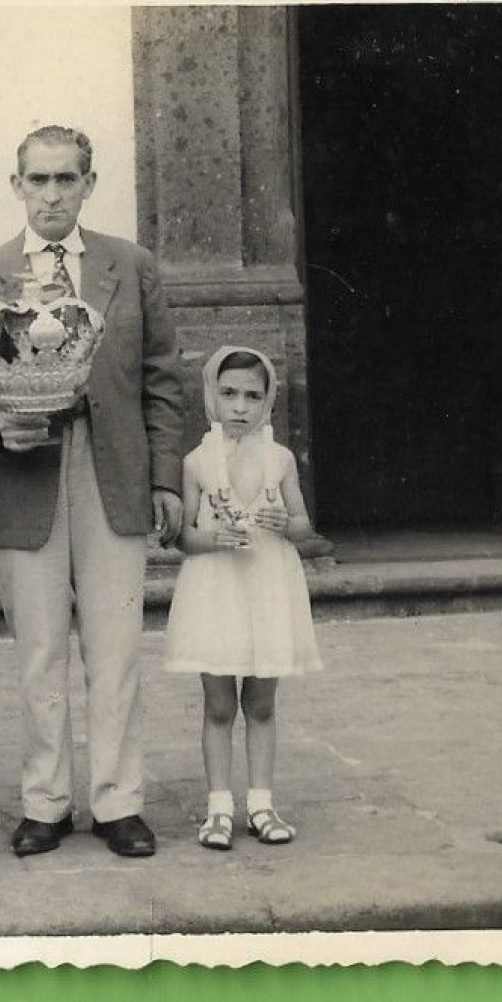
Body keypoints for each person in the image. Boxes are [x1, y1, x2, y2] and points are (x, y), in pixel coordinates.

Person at [0, 125, 186, 859]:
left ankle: (119, 803)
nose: (52, 194)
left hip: (111, 469)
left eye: (66, 179)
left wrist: (164, 477)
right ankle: (44, 802)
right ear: (15, 186)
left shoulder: (127, 266)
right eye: (38, 180)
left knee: (114, 649)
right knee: (39, 651)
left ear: (88, 183)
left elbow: (161, 377)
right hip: (26, 477)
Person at [163, 346, 322, 850]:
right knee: (216, 704)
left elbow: (303, 525)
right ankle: (218, 809)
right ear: (211, 395)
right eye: (229, 393)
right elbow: (183, 535)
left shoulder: (280, 459)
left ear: (268, 400)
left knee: (261, 701)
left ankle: (261, 803)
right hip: (216, 588)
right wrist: (212, 539)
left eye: (253, 396)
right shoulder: (196, 463)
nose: (240, 406)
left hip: (267, 587)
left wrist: (286, 523)